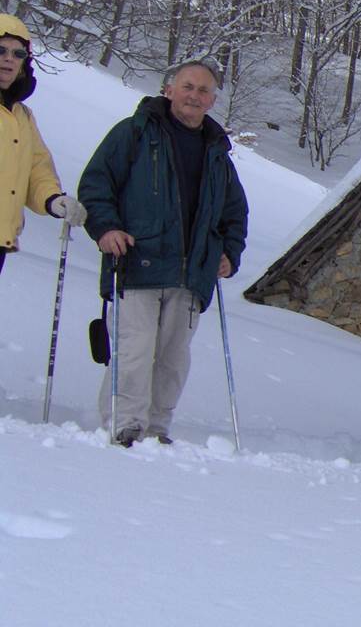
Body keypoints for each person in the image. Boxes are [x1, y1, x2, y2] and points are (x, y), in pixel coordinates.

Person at [78, 60, 248, 447]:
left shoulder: (217, 153)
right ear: (169, 89)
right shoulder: (135, 133)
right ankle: (125, 424)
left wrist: (229, 254)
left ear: (213, 99)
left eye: (204, 90)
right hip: (139, 260)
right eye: (188, 86)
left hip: (193, 272)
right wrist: (105, 228)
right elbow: (96, 183)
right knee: (135, 350)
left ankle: (156, 428)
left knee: (173, 358)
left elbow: (234, 213)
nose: (195, 95)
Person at [0, 14, 86, 273]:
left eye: (18, 54)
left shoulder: (21, 117)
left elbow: (37, 170)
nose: (9, 59)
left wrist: (53, 200)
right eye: (1, 50)